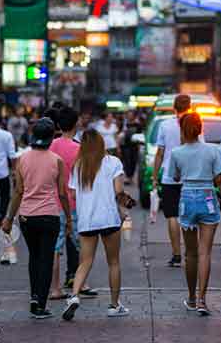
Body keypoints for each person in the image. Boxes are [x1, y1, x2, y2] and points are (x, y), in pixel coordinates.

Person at [1, 118, 71, 319]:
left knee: (34, 257)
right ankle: (40, 304)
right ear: (51, 137)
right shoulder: (56, 160)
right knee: (46, 259)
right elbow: (62, 193)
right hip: (49, 216)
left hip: (26, 217)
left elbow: (18, 191)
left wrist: (8, 218)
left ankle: (34, 297)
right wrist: (69, 217)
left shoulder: (22, 159)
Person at [62, 129, 131, 321]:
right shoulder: (113, 162)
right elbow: (119, 191)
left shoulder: (78, 166)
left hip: (87, 220)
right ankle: (114, 305)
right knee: (114, 262)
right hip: (109, 218)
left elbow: (74, 195)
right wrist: (125, 208)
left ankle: (74, 295)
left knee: (85, 261)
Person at [172, 112, 221, 315]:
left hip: (187, 199)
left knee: (190, 254)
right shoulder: (213, 150)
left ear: (182, 130)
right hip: (208, 198)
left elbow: (175, 177)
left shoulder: (176, 152)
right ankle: (202, 299)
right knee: (205, 252)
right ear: (201, 128)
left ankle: (191, 298)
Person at [47, 107, 96, 299]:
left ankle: (55, 288)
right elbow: (85, 179)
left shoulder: (51, 146)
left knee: (55, 248)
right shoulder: (79, 149)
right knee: (82, 244)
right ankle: (81, 283)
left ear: (58, 125)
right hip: (76, 204)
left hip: (54, 202)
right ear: (76, 124)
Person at [152, 94, 194, 268]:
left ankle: (176, 254)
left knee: (172, 216)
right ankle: (190, 253)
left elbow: (160, 153)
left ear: (174, 107)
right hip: (191, 176)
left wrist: (155, 176)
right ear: (189, 107)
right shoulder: (195, 123)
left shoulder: (165, 125)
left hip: (169, 176)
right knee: (189, 216)